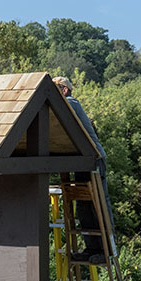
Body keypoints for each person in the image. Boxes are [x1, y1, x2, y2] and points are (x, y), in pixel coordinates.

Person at [52, 77, 109, 264]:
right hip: (82, 161)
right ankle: (92, 248)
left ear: (65, 90)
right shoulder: (65, 106)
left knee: (98, 205)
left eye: (55, 89)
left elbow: (53, 113)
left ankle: (106, 250)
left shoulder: (71, 103)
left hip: (94, 160)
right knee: (84, 207)